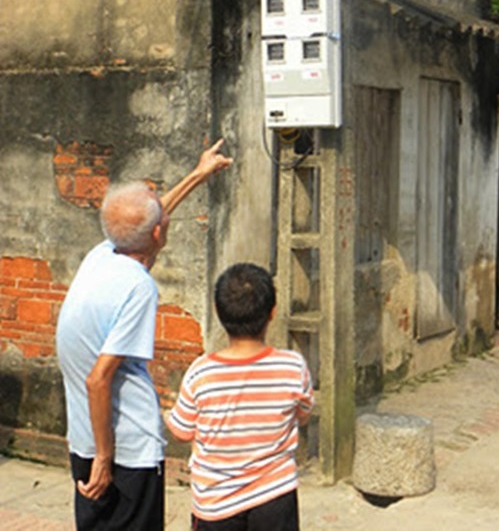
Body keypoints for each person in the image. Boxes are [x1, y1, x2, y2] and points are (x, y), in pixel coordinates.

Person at [56, 138, 233, 531]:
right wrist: (106, 457)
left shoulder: (102, 255)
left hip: (85, 440)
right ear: (156, 235)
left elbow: (151, 216)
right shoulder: (138, 286)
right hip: (123, 452)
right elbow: (99, 378)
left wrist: (198, 175)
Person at [166, 262, 314, 531]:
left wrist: (166, 414)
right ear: (272, 313)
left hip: (215, 503)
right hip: (275, 496)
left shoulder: (201, 373)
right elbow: (303, 415)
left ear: (218, 312)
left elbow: (181, 431)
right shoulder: (292, 367)